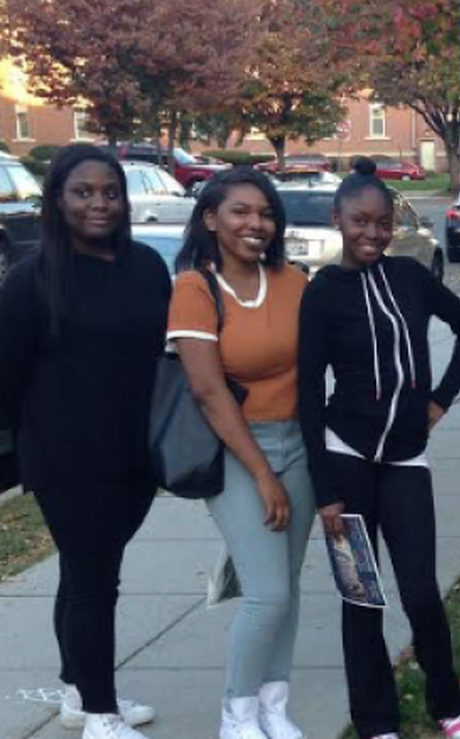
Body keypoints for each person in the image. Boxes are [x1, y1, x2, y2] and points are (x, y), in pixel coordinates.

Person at [298, 159, 460, 739]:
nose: (371, 233)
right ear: (338, 219)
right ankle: (376, 721)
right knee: (361, 596)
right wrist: (324, 492)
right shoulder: (322, 294)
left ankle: (447, 704)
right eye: (360, 222)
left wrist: (441, 398)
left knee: (420, 591)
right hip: (345, 459)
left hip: (405, 461)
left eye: (381, 223)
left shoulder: (410, 276)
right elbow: (307, 394)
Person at [0, 146, 168, 739]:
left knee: (82, 574)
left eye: (110, 192)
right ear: (57, 199)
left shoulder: (147, 267)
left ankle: (78, 692)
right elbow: (6, 380)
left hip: (136, 455)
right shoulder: (31, 280)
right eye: (83, 192)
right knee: (96, 581)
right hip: (65, 460)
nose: (99, 203)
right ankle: (101, 712)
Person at [169, 168, 314, 739]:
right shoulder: (195, 289)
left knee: (289, 588)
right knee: (267, 594)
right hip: (235, 449)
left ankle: (274, 706)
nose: (257, 223)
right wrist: (261, 473)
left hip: (297, 444)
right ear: (211, 219)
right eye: (241, 211)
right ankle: (237, 713)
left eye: (266, 213)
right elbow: (208, 392)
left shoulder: (293, 281)